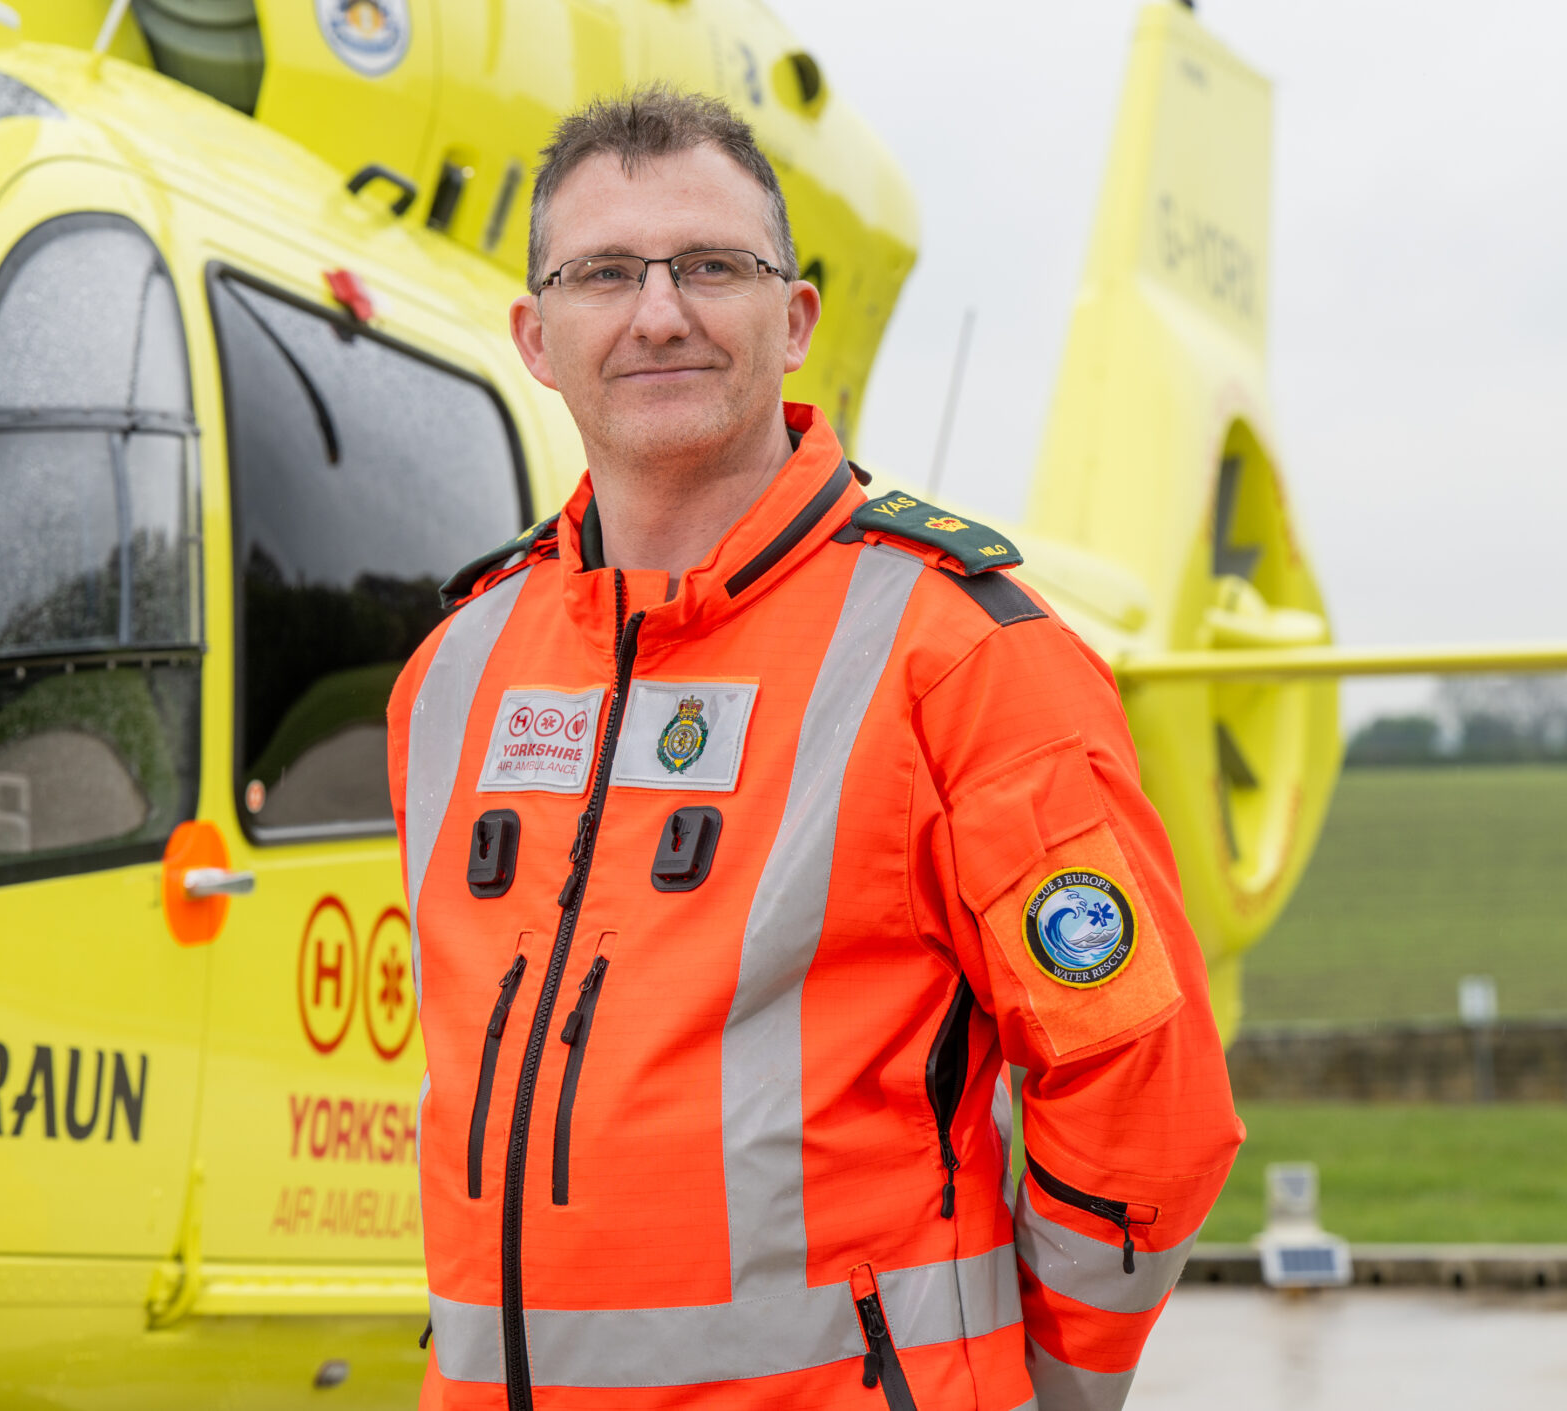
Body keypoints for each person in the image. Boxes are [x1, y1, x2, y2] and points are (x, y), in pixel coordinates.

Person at [388, 86, 1240, 1411]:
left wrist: (1053, 1387)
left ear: (793, 322)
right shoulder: (454, 673)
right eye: (604, 272)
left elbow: (1145, 1093)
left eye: (712, 266)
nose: (660, 310)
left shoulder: (958, 651)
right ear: (535, 335)